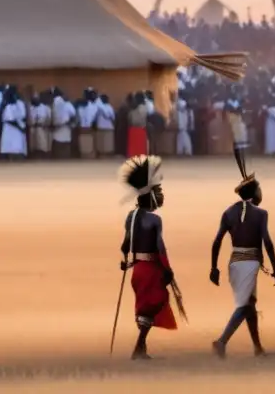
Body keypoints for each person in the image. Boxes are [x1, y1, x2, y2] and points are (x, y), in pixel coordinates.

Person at [209, 146, 275, 358]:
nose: (261, 192)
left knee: (249, 305)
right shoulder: (261, 214)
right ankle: (221, 341)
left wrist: (214, 268)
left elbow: (216, 242)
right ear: (254, 192)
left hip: (234, 262)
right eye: (259, 188)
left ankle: (258, 349)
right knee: (244, 305)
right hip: (250, 263)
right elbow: (267, 242)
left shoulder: (228, 212)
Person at [118, 154, 178, 360]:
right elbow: (159, 246)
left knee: (145, 305)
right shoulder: (154, 219)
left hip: (137, 268)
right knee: (155, 302)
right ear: (150, 196)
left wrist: (125, 260)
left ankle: (141, 348)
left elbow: (125, 244)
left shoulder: (130, 217)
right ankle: (138, 347)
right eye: (159, 192)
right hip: (151, 268)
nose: (162, 196)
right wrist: (167, 269)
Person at [0, 87, 28, 159]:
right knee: (12, 148)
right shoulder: (7, 105)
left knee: (19, 148)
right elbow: (10, 120)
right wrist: (20, 127)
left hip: (19, 128)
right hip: (11, 129)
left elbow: (23, 116)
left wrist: (22, 125)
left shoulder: (20, 103)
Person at [51, 88, 76, 159]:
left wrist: (67, 123)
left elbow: (74, 117)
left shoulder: (67, 104)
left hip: (65, 130)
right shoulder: (55, 103)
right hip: (57, 131)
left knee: (64, 150)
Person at [77, 88, 99, 158]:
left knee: (85, 144)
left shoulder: (80, 106)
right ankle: (88, 156)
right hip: (88, 127)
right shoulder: (93, 106)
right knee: (87, 144)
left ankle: (86, 156)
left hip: (83, 127)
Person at [127, 92, 150, 158]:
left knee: (134, 148)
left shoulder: (132, 107)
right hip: (141, 129)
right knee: (140, 147)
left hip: (133, 129)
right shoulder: (144, 107)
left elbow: (129, 118)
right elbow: (146, 117)